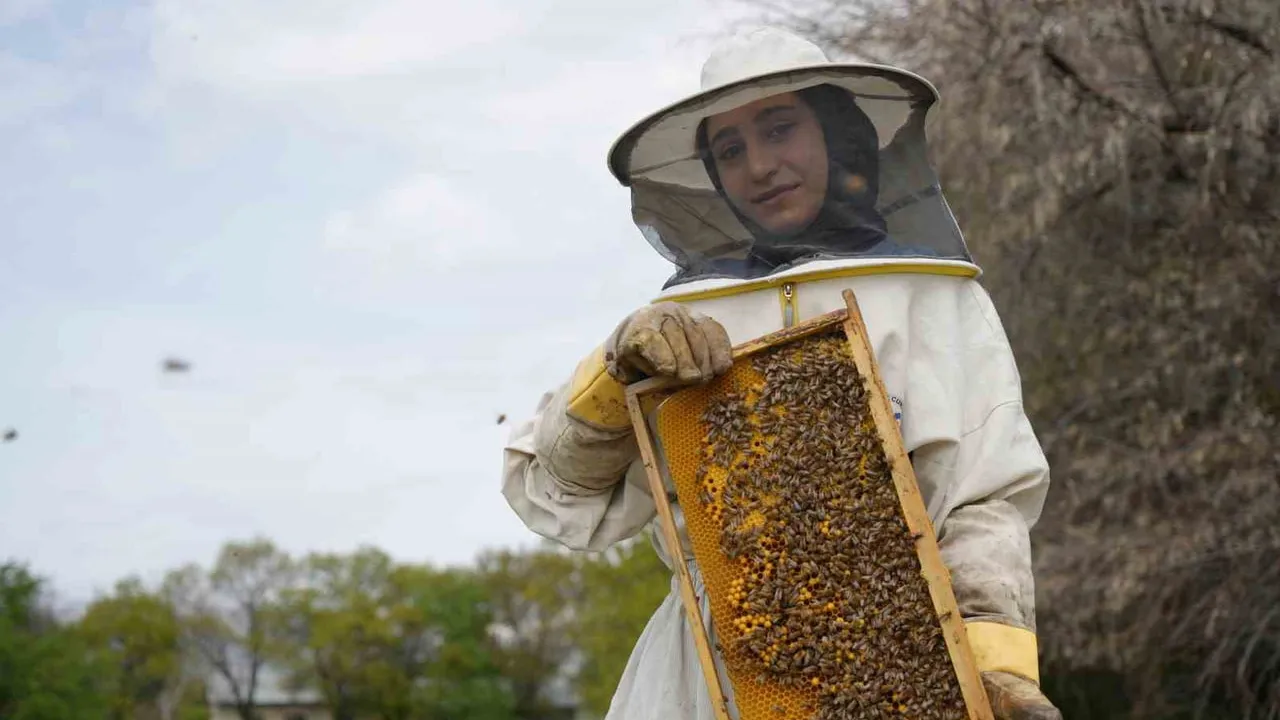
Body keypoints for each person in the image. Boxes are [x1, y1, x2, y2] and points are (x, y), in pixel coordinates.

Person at [502, 26, 1063, 720]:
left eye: (779, 130)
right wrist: (614, 375)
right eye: (729, 150)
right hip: (699, 682)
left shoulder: (935, 296)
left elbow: (985, 497)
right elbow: (560, 497)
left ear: (836, 133)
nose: (759, 166)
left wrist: (994, 665)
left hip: (900, 664)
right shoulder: (675, 319)